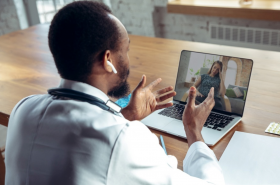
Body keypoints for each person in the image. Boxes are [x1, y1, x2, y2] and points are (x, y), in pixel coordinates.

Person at [4, 2, 225, 185]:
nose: (128, 60)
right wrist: (193, 131)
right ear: (108, 60)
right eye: (126, 50)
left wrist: (123, 115)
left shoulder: (22, 109)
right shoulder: (124, 139)